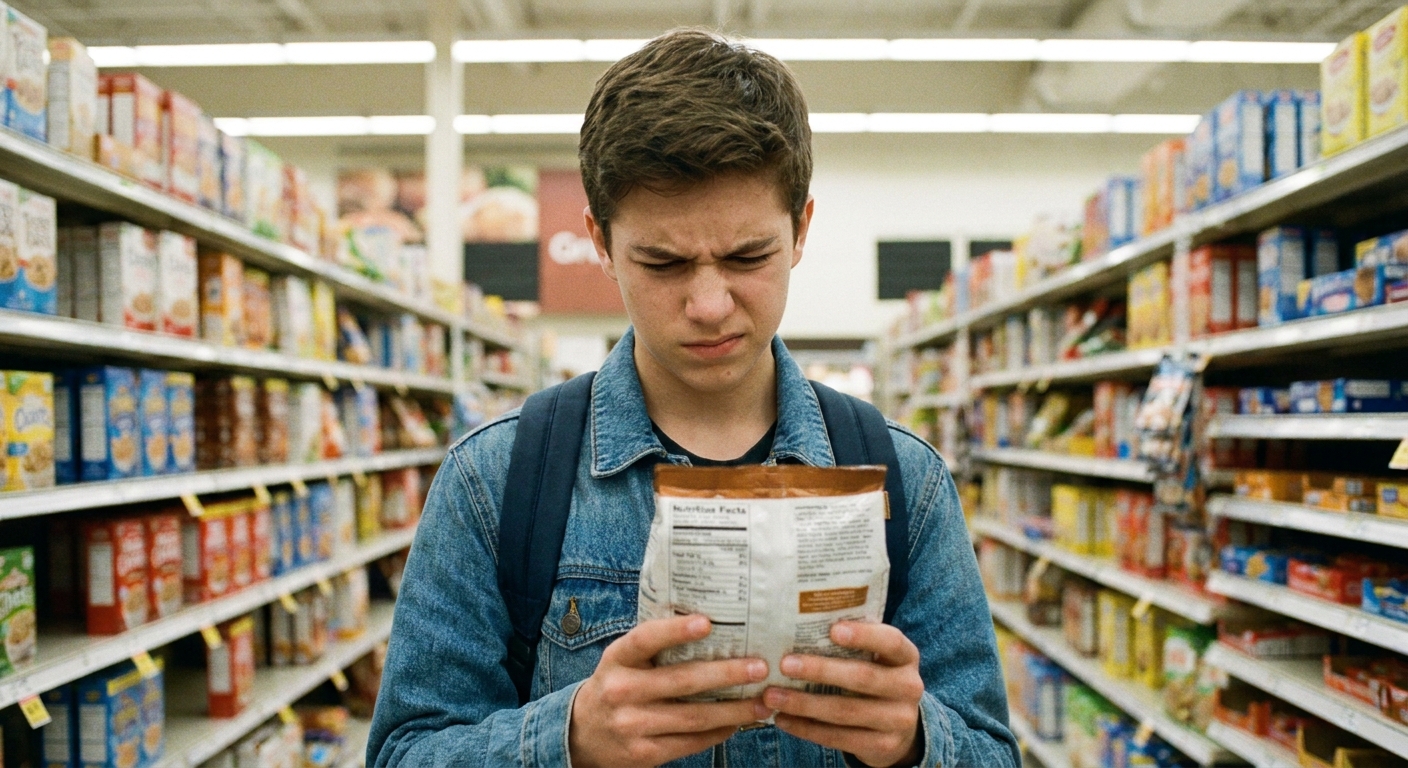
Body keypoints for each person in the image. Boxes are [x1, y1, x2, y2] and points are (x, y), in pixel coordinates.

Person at [367, 28, 1018, 768]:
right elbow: (403, 752)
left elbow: (994, 751)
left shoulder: (907, 480)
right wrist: (569, 737)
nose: (709, 304)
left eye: (748, 256)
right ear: (602, 243)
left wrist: (915, 741)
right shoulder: (495, 480)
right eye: (663, 262)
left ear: (800, 228)